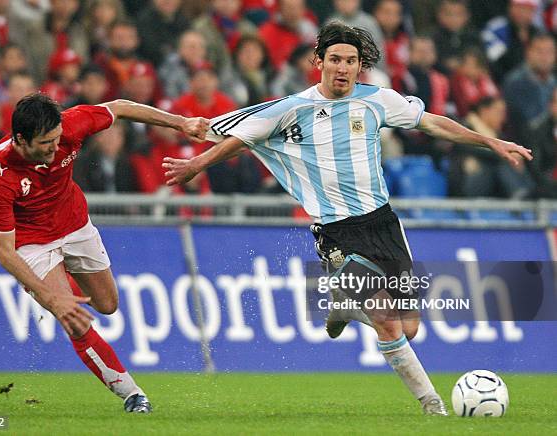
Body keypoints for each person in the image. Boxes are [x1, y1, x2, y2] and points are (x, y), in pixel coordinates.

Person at [162, 22, 532, 415]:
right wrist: (197, 163)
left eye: (351, 61)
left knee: (409, 328)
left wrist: (489, 140)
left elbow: (434, 123)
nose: (343, 68)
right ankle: (432, 404)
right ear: (319, 62)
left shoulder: (379, 101)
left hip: (384, 224)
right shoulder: (293, 108)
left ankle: (346, 306)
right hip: (337, 232)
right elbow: (244, 137)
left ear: (361, 66)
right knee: (388, 322)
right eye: (335, 59)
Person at [0, 93, 208, 413]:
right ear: (20, 138)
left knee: (108, 304)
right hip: (32, 241)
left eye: (57, 139)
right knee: (72, 320)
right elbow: (4, 253)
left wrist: (181, 122)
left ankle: (62, 282)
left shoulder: (71, 126)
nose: (54, 147)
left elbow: (120, 107)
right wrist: (51, 297)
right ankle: (132, 395)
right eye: (46, 142)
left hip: (74, 224)